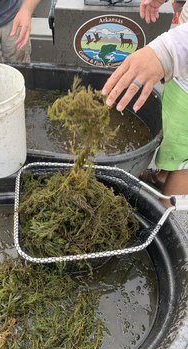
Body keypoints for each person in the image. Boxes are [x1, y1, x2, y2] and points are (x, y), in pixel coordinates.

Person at [101, 0, 188, 204]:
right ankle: (161, 177)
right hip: (181, 76)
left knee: (185, 163)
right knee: (174, 143)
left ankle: (165, 210)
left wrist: (166, 51)